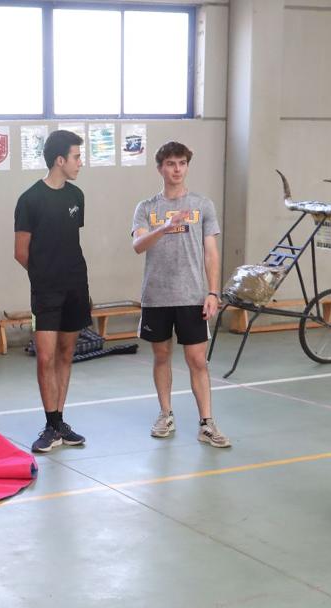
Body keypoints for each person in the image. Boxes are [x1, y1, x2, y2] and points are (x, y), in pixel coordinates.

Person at [132, 141, 229, 447]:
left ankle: (207, 422)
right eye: (171, 164)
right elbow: (138, 245)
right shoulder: (146, 208)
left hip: (192, 296)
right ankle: (165, 413)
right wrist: (164, 227)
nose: (176, 169)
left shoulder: (202, 205)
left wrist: (213, 291)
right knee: (161, 356)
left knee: (197, 360)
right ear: (160, 168)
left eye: (182, 163)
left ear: (187, 166)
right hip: (157, 296)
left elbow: (211, 252)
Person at [14, 129, 89, 453]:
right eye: (76, 157)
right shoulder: (29, 200)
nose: (80, 163)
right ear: (60, 160)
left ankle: (59, 422)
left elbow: (71, 241)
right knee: (45, 357)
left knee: (66, 354)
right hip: (46, 291)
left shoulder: (77, 197)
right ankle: (50, 423)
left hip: (76, 286)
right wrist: (45, 277)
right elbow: (20, 251)